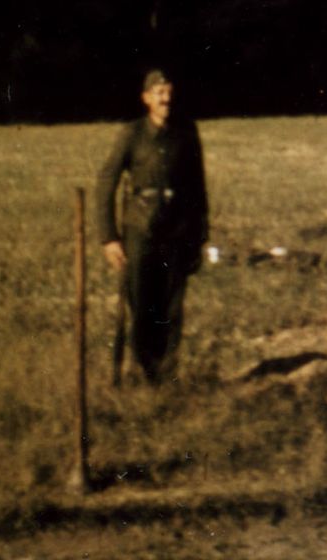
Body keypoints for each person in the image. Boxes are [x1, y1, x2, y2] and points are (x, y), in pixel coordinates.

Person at [96, 69, 209, 383]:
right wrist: (109, 237)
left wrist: (200, 236)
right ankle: (145, 374)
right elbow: (107, 181)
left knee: (172, 309)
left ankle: (166, 380)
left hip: (177, 232)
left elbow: (197, 187)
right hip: (139, 231)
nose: (166, 99)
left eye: (169, 92)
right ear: (146, 99)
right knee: (143, 305)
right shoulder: (131, 134)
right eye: (159, 93)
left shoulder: (187, 132)